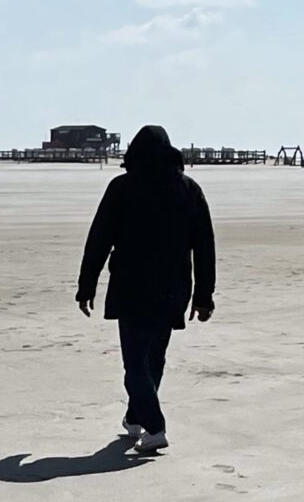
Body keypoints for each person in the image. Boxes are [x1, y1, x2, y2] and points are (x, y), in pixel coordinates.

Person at [76, 125, 216, 453]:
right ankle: (135, 418)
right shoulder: (188, 189)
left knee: (136, 363)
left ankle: (154, 427)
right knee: (154, 358)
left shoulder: (122, 188)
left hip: (131, 286)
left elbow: (99, 239)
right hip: (173, 287)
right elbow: (205, 246)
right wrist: (203, 295)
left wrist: (86, 285)